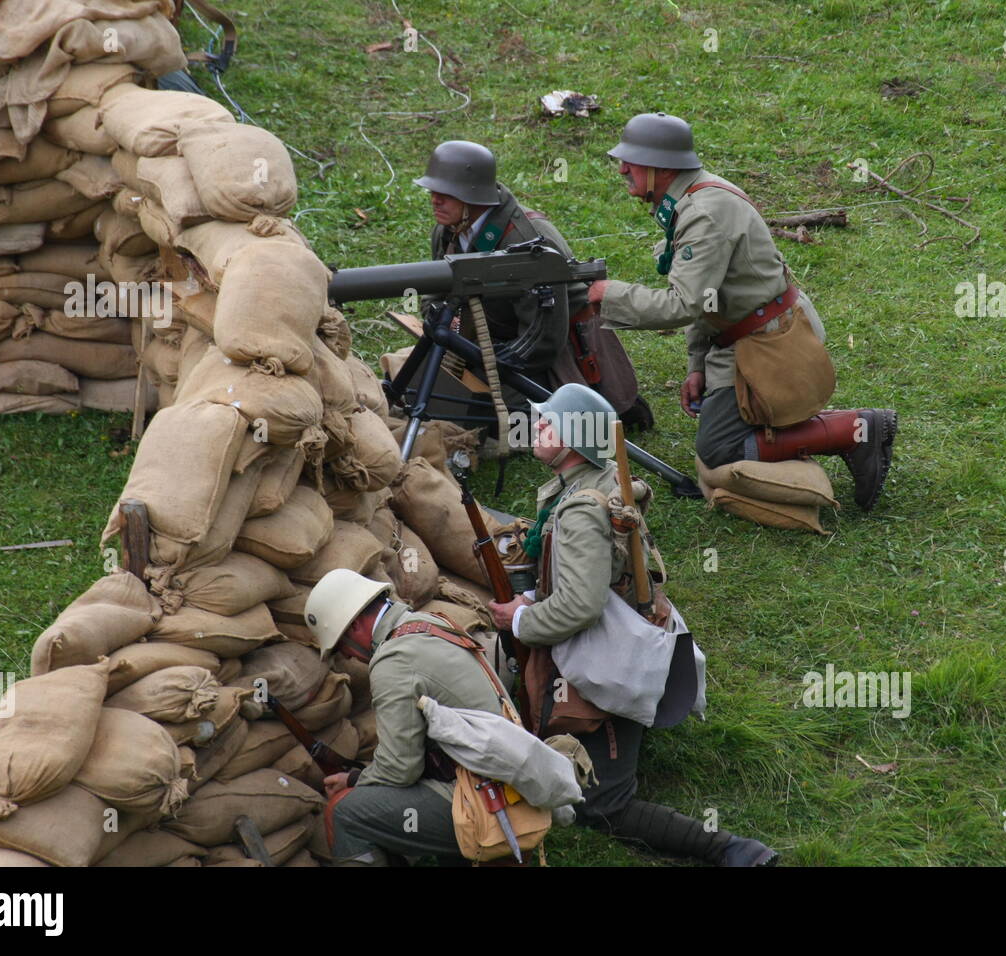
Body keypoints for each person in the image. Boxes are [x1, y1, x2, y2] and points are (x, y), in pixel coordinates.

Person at [487, 382, 778, 866]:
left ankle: (730, 850)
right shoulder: (590, 487)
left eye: (548, 421)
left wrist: (519, 618)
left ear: (576, 437)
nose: (535, 425)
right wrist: (537, 595)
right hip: (621, 634)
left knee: (601, 806)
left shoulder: (580, 510)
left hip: (608, 659)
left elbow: (579, 606)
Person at [586, 113, 898, 511]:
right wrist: (697, 365)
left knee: (717, 450)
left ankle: (855, 430)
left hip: (771, 343)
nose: (622, 169)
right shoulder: (689, 198)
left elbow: (685, 303)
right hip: (744, 334)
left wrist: (608, 294)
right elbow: (709, 295)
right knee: (721, 438)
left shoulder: (704, 212)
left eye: (632, 160)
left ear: (662, 167)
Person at [414, 139, 652, 434]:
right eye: (433, 191)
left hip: (546, 352)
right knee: (425, 386)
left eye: (445, 194)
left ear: (472, 196)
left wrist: (487, 362)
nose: (435, 200)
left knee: (480, 421)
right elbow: (436, 288)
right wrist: (445, 327)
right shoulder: (448, 229)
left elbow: (544, 339)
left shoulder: (527, 240)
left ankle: (601, 402)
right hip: (491, 338)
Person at [305, 568, 503, 866]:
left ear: (356, 625)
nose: (346, 657)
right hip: (503, 781)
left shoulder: (393, 661)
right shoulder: (429, 623)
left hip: (483, 800)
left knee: (344, 813)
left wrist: (356, 780)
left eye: (341, 645)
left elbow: (401, 769)